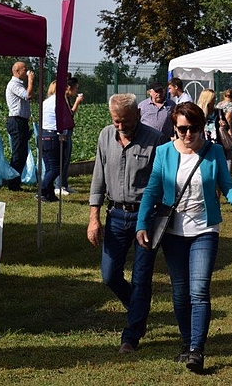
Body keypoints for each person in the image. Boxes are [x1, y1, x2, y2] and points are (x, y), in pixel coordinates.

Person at [135, 102, 232, 373]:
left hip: (204, 230)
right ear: (174, 128)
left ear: (202, 127)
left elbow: (227, 185)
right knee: (180, 293)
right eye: (182, 129)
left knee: (198, 290)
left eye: (194, 128)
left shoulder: (213, 152)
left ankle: (197, 350)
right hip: (172, 232)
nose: (188, 134)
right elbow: (152, 190)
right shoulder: (164, 152)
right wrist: (142, 224)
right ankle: (187, 343)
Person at [87, 93, 168, 354]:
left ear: (138, 115)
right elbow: (98, 178)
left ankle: (131, 336)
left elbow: (163, 184)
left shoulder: (156, 140)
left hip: (146, 216)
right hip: (116, 215)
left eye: (125, 121)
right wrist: (94, 218)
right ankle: (138, 309)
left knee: (141, 277)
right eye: (116, 121)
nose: (120, 126)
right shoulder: (105, 136)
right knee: (109, 275)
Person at [5, 61, 34, 191]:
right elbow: (28, 95)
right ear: (17, 71)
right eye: (24, 69)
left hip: (21, 121)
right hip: (16, 121)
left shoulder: (19, 84)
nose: (26, 71)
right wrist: (31, 80)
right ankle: (13, 183)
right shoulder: (14, 85)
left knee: (22, 152)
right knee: (18, 153)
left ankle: (16, 181)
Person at [55, 77, 84, 196]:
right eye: (75, 88)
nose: (76, 91)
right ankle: (58, 186)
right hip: (64, 131)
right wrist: (77, 102)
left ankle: (64, 184)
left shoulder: (66, 99)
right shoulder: (61, 99)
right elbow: (68, 114)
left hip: (68, 130)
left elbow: (70, 113)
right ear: (69, 88)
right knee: (61, 159)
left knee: (66, 159)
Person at [38, 81, 64, 202]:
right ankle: (42, 190)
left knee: (49, 167)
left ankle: (49, 193)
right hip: (53, 135)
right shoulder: (59, 102)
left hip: (43, 135)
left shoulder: (45, 102)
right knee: (56, 168)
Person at [198, 89, 232, 172]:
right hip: (202, 145)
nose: (215, 100)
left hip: (217, 145)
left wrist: (224, 125)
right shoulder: (198, 113)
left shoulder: (219, 112)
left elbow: (227, 127)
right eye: (213, 98)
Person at [216, 88, 232, 173]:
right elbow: (228, 119)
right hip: (226, 129)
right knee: (228, 153)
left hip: (218, 130)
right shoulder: (231, 105)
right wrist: (230, 134)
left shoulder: (219, 104)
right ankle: (227, 174)